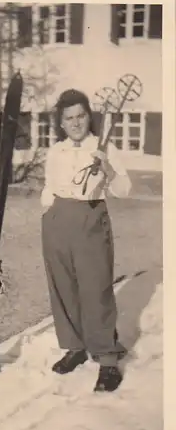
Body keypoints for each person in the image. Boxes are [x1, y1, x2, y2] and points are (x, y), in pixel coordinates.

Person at [41, 88, 132, 393]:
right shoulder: (56, 151)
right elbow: (48, 187)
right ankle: (75, 346)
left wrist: (106, 168)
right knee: (63, 287)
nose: (76, 122)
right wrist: (51, 213)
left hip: (91, 218)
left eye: (81, 115)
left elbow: (124, 189)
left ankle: (107, 361)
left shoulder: (104, 147)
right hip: (58, 220)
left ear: (88, 117)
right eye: (69, 118)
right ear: (62, 122)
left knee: (96, 289)